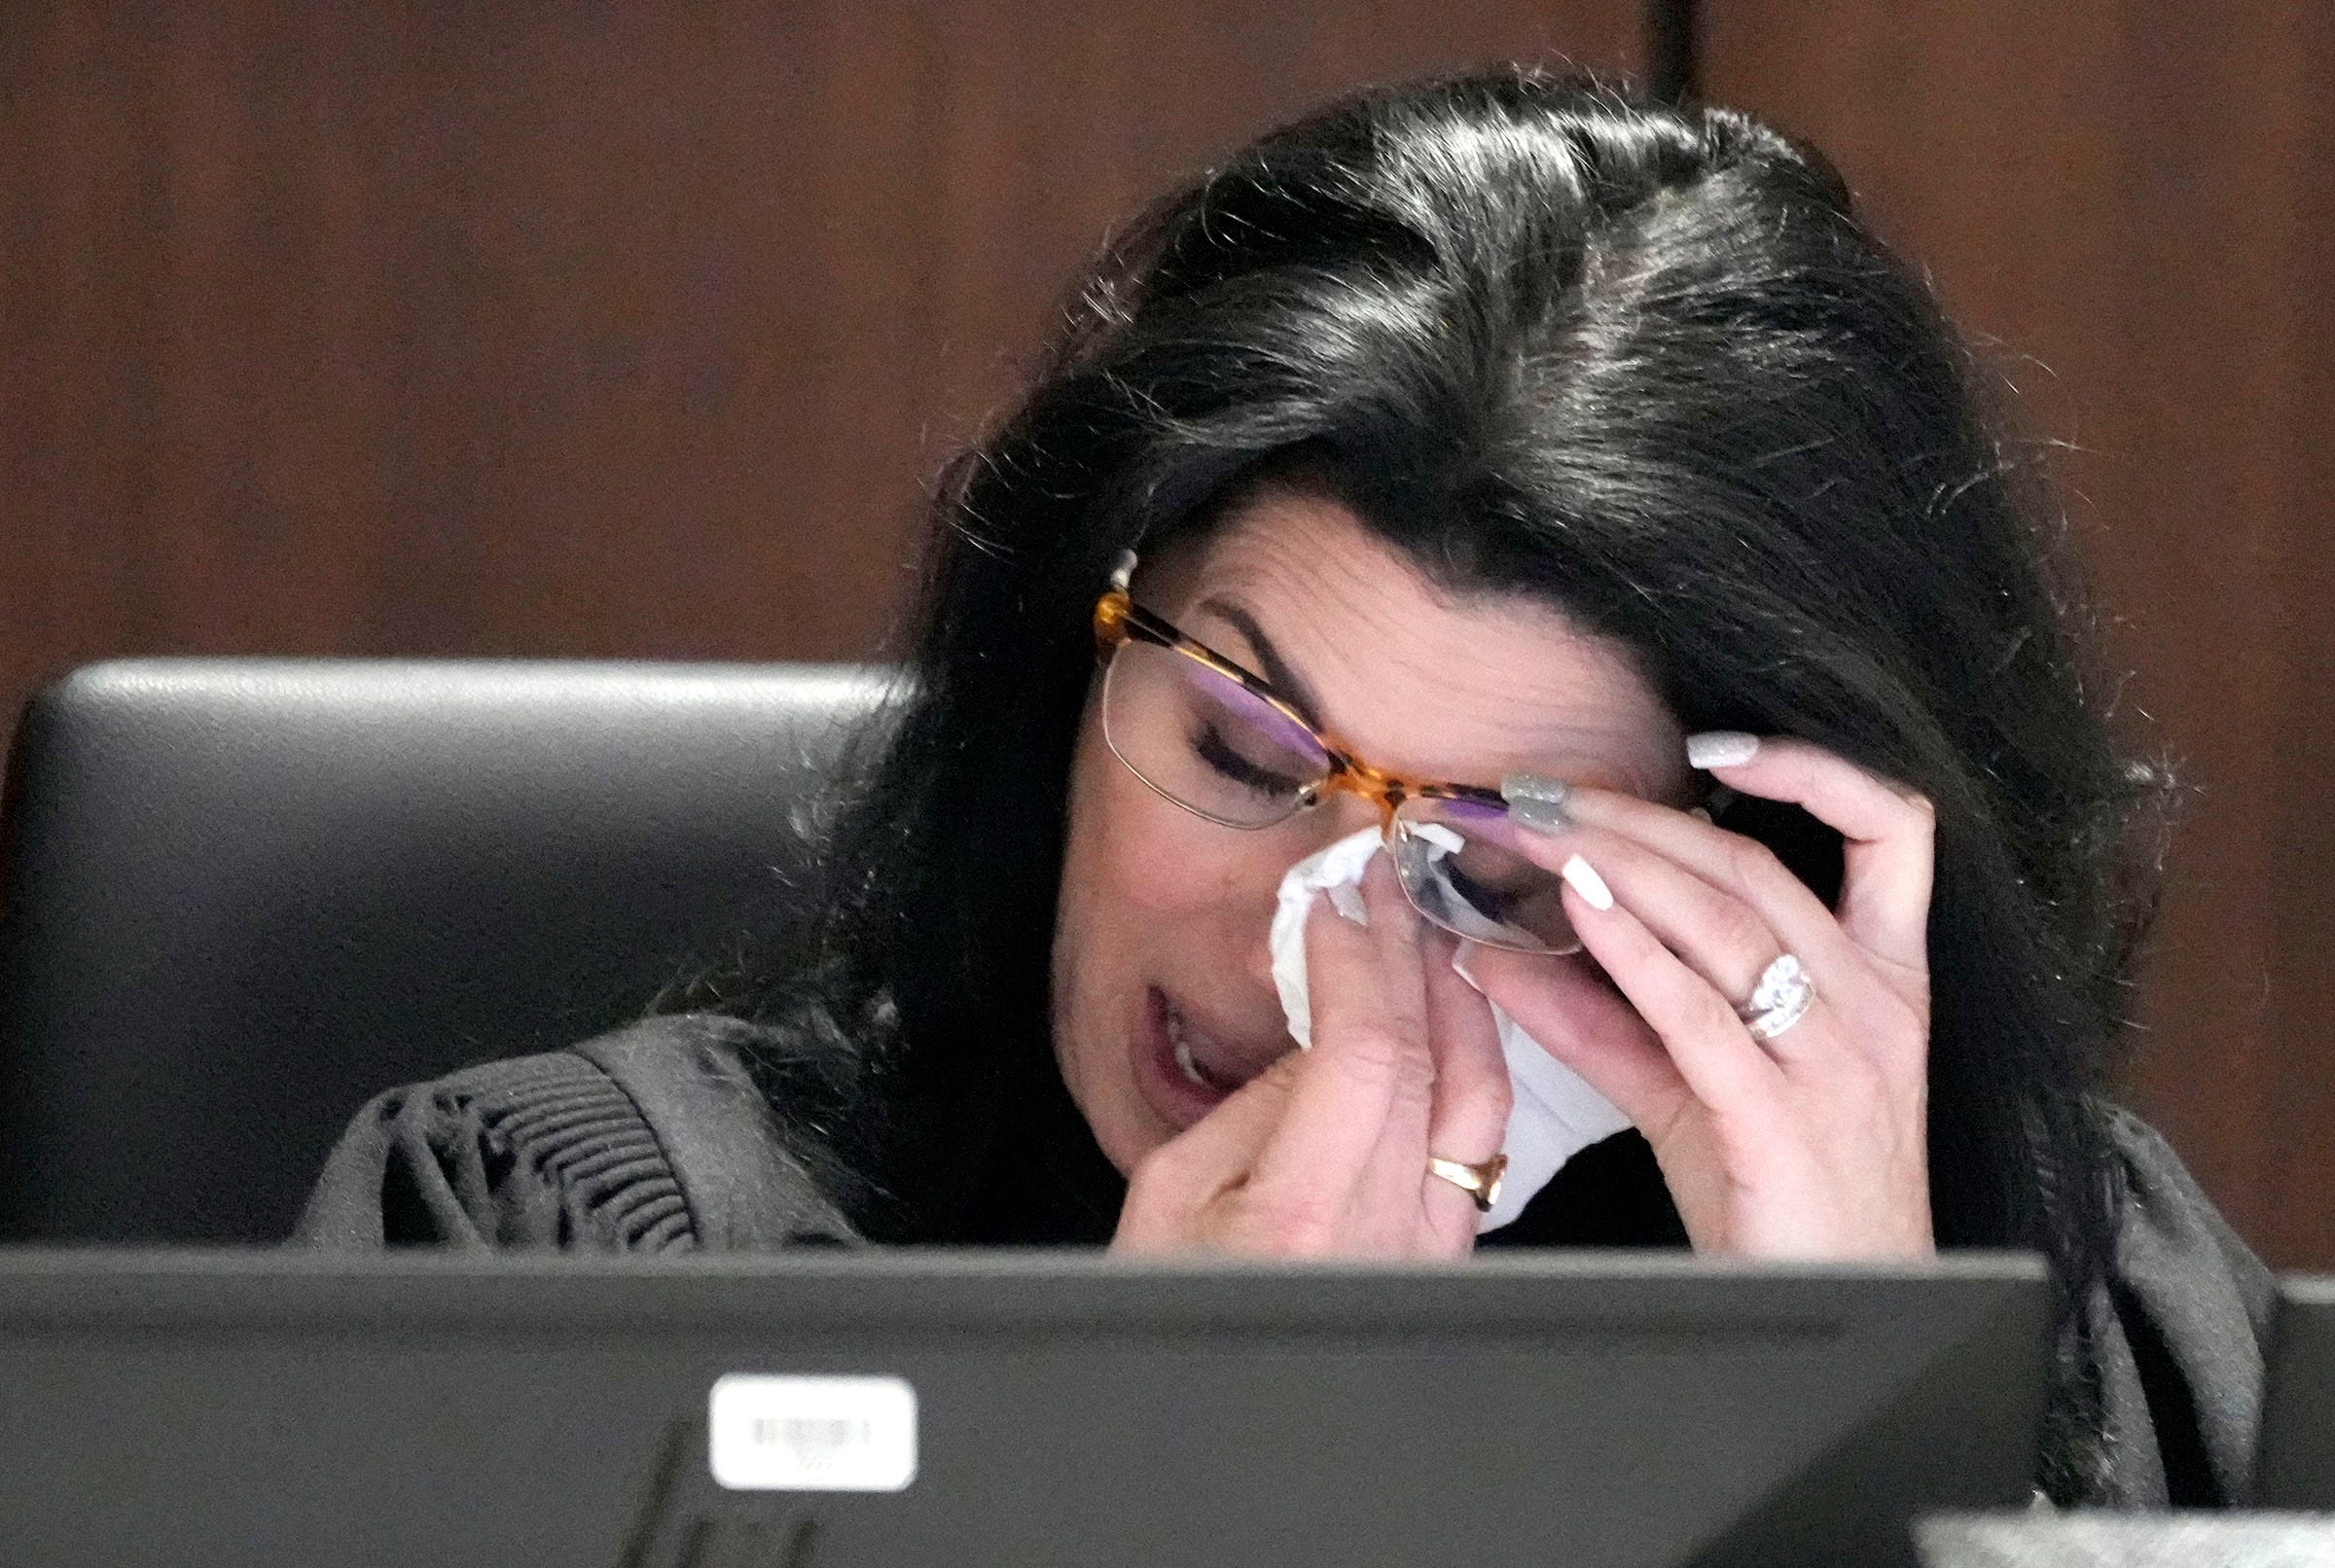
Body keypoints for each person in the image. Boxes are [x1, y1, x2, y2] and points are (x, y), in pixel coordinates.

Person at [297, 68, 2272, 1508]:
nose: (1295, 957)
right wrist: (1129, 1463)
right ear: (1073, 656)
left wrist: (1866, 1418)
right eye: (1245, 751)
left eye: (1498, 868)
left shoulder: (2101, 1316)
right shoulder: (567, 1256)